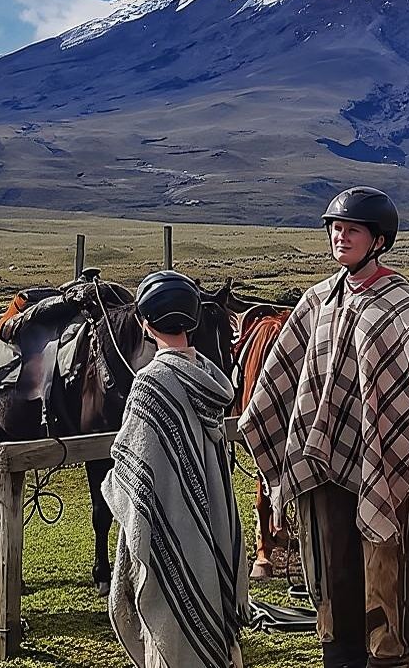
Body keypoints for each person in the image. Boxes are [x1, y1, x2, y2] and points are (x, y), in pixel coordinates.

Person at [240, 187, 409, 668]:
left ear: (379, 240)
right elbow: (281, 374)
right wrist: (265, 425)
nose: (340, 237)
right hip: (319, 461)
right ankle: (339, 654)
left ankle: (389, 654)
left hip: (382, 460)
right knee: (332, 569)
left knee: (383, 565)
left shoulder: (399, 300)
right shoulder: (317, 299)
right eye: (335, 229)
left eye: (352, 230)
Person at [102, 270, 249, 668]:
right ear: (194, 321)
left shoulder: (151, 383)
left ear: (145, 324)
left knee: (172, 631)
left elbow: (135, 474)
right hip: (211, 521)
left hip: (168, 526)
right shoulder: (209, 379)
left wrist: (113, 483)